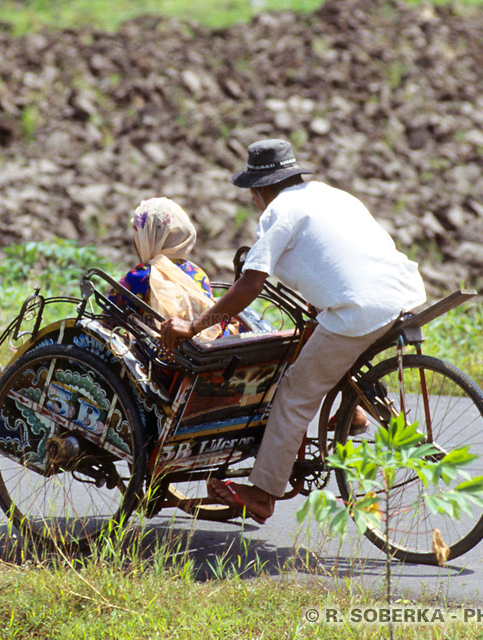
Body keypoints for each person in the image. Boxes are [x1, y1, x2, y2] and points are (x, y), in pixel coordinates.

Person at [160, 139, 427, 524]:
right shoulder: (332, 196)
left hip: (359, 309)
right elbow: (338, 257)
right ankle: (354, 413)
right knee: (324, 350)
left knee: (293, 395)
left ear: (257, 191)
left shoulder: (277, 212)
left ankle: (263, 493)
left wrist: (195, 325)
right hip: (402, 294)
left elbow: (250, 285)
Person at [110, 197, 228, 341]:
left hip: (165, 357)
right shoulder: (197, 272)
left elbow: (108, 318)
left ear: (147, 238)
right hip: (206, 351)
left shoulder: (138, 277)